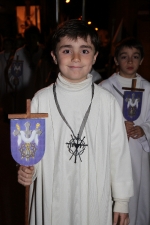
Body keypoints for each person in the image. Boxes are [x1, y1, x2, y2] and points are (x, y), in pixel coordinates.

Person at [18, 20, 133, 225]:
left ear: (96, 56)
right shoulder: (40, 100)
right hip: (52, 191)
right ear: (54, 56)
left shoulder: (107, 102)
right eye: (67, 50)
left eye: (85, 51)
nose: (76, 58)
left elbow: (119, 153)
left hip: (94, 192)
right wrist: (28, 171)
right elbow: (31, 150)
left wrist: (122, 201)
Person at [100, 37, 150, 225]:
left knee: (137, 197)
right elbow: (99, 120)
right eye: (124, 57)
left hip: (138, 154)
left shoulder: (148, 88)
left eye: (135, 57)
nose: (130, 62)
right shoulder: (106, 87)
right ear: (115, 60)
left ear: (142, 60)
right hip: (114, 154)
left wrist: (144, 129)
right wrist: (119, 126)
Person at [8, 25, 44, 113]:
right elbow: (13, 73)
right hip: (23, 93)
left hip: (39, 91)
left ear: (37, 38)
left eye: (34, 37)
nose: (31, 40)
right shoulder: (19, 53)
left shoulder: (43, 53)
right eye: (29, 37)